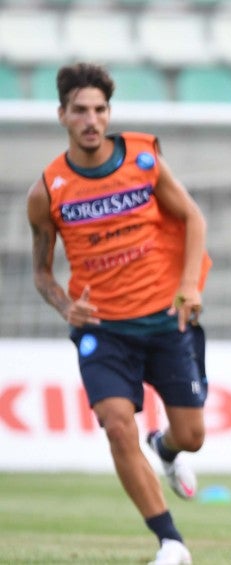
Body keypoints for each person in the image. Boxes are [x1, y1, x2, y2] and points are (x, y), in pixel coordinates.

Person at [26, 62, 212, 565]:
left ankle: (167, 449)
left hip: (164, 320)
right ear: (62, 114)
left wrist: (188, 285)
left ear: (109, 113)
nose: (91, 119)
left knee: (192, 435)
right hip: (103, 329)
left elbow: (192, 216)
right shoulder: (47, 191)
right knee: (115, 422)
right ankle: (170, 541)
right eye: (80, 110)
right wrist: (66, 304)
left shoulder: (144, 157)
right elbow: (42, 273)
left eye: (100, 109)